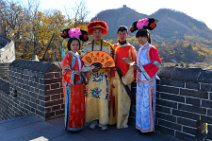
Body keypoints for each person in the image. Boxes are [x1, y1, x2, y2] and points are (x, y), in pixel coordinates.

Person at [130, 18, 162, 133]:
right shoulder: (140, 49)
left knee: (146, 105)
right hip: (140, 81)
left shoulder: (151, 49)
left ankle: (147, 128)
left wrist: (142, 68)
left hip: (148, 82)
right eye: (138, 37)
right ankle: (141, 126)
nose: (140, 39)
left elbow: (158, 63)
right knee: (140, 105)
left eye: (142, 36)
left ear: (147, 36)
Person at [81, 20, 114, 130]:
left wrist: (103, 67)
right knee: (91, 98)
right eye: (95, 32)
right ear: (91, 33)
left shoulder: (108, 46)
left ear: (103, 32)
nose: (97, 34)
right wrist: (91, 67)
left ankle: (103, 121)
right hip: (91, 76)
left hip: (103, 76)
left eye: (99, 31)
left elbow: (110, 61)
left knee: (103, 98)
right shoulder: (88, 47)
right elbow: (84, 61)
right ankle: (93, 119)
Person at [109, 26, 136, 128]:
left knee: (123, 101)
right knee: (113, 99)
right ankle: (112, 121)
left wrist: (126, 78)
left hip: (124, 78)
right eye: (120, 33)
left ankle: (121, 123)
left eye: (124, 33)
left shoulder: (131, 48)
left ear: (127, 35)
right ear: (117, 35)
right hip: (113, 78)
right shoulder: (113, 47)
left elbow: (133, 64)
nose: (122, 35)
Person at [61, 28, 88, 131]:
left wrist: (86, 69)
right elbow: (65, 70)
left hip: (79, 84)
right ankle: (72, 126)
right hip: (71, 85)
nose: (75, 46)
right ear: (69, 46)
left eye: (77, 45)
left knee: (80, 104)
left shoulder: (80, 56)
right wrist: (74, 72)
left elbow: (83, 67)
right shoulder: (67, 56)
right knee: (72, 106)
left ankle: (79, 124)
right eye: (73, 45)